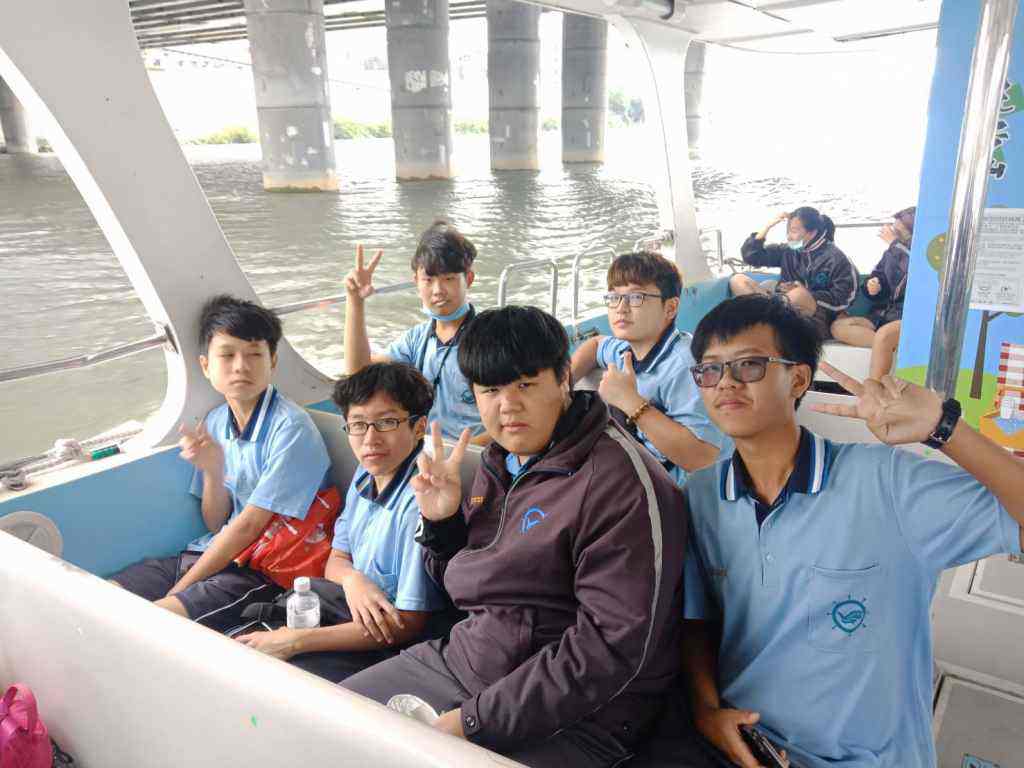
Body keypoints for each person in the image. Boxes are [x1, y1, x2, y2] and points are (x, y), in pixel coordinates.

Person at [680, 294, 1024, 768]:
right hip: (750, 748)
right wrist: (707, 712)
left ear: (798, 379)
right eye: (710, 370)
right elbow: (698, 621)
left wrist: (944, 428)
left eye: (750, 365)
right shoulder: (700, 496)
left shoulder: (887, 483)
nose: (726, 383)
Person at [342, 306, 686, 768]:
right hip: (468, 660)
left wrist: (472, 722)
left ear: (563, 378)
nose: (507, 405)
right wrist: (443, 525)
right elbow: (468, 585)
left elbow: (609, 649)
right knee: (325, 725)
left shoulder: (620, 483)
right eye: (490, 390)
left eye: (525, 385)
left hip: (582, 714)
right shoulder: (502, 460)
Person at [111, 295, 331, 632]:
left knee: (151, 621)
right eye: (227, 355)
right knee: (107, 593)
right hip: (210, 551)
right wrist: (212, 471)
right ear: (205, 365)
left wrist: (180, 589)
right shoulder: (216, 421)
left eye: (254, 354)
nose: (241, 366)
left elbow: (249, 527)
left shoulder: (292, 429)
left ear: (272, 361)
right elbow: (217, 523)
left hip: (258, 567)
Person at [235, 362, 450, 682]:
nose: (370, 439)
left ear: (418, 428)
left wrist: (296, 641)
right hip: (349, 609)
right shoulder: (366, 473)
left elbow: (406, 625)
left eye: (387, 422)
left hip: (392, 642)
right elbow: (336, 559)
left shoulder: (418, 503)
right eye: (358, 424)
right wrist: (353, 580)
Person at [570, 251, 725, 485]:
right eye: (614, 297)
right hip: (634, 466)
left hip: (670, 488)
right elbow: (596, 344)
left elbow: (702, 458)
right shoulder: (626, 348)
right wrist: (562, 384)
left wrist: (630, 401)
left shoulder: (685, 364)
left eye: (636, 297)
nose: (621, 308)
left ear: (670, 308)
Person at [342, 219, 487, 444]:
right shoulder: (416, 339)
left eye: (449, 279)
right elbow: (358, 372)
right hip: (423, 451)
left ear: (468, 278)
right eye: (428, 280)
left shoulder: (490, 338)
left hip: (476, 454)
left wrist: (461, 453)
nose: (438, 290)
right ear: (416, 282)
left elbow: (510, 419)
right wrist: (355, 301)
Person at [730, 207, 858, 339]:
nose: (788, 236)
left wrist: (807, 294)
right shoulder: (788, 251)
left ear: (812, 232)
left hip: (816, 316)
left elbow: (845, 298)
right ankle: (768, 322)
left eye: (794, 231)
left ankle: (764, 322)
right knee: (738, 280)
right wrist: (768, 226)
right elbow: (752, 256)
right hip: (780, 304)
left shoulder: (836, 258)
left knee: (797, 295)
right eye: (788, 231)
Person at [831, 207, 915, 379]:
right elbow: (879, 276)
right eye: (894, 230)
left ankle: (885, 346)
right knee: (838, 326)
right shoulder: (891, 252)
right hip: (881, 316)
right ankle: (887, 345)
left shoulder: (917, 255)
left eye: (899, 232)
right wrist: (874, 286)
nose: (893, 234)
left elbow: (914, 269)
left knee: (884, 336)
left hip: (903, 319)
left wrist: (894, 244)